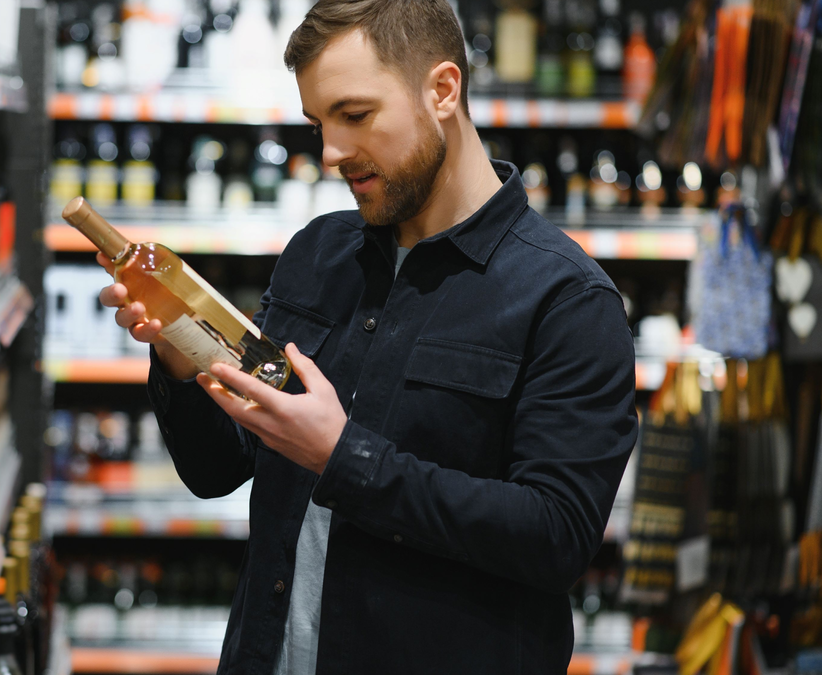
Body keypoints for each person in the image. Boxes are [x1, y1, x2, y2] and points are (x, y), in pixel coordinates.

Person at [96, 0, 638, 672]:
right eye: (319, 124)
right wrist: (179, 349)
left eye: (355, 116)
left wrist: (343, 456)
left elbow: (557, 536)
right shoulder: (317, 255)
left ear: (442, 90)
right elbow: (218, 468)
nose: (330, 153)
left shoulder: (567, 300)